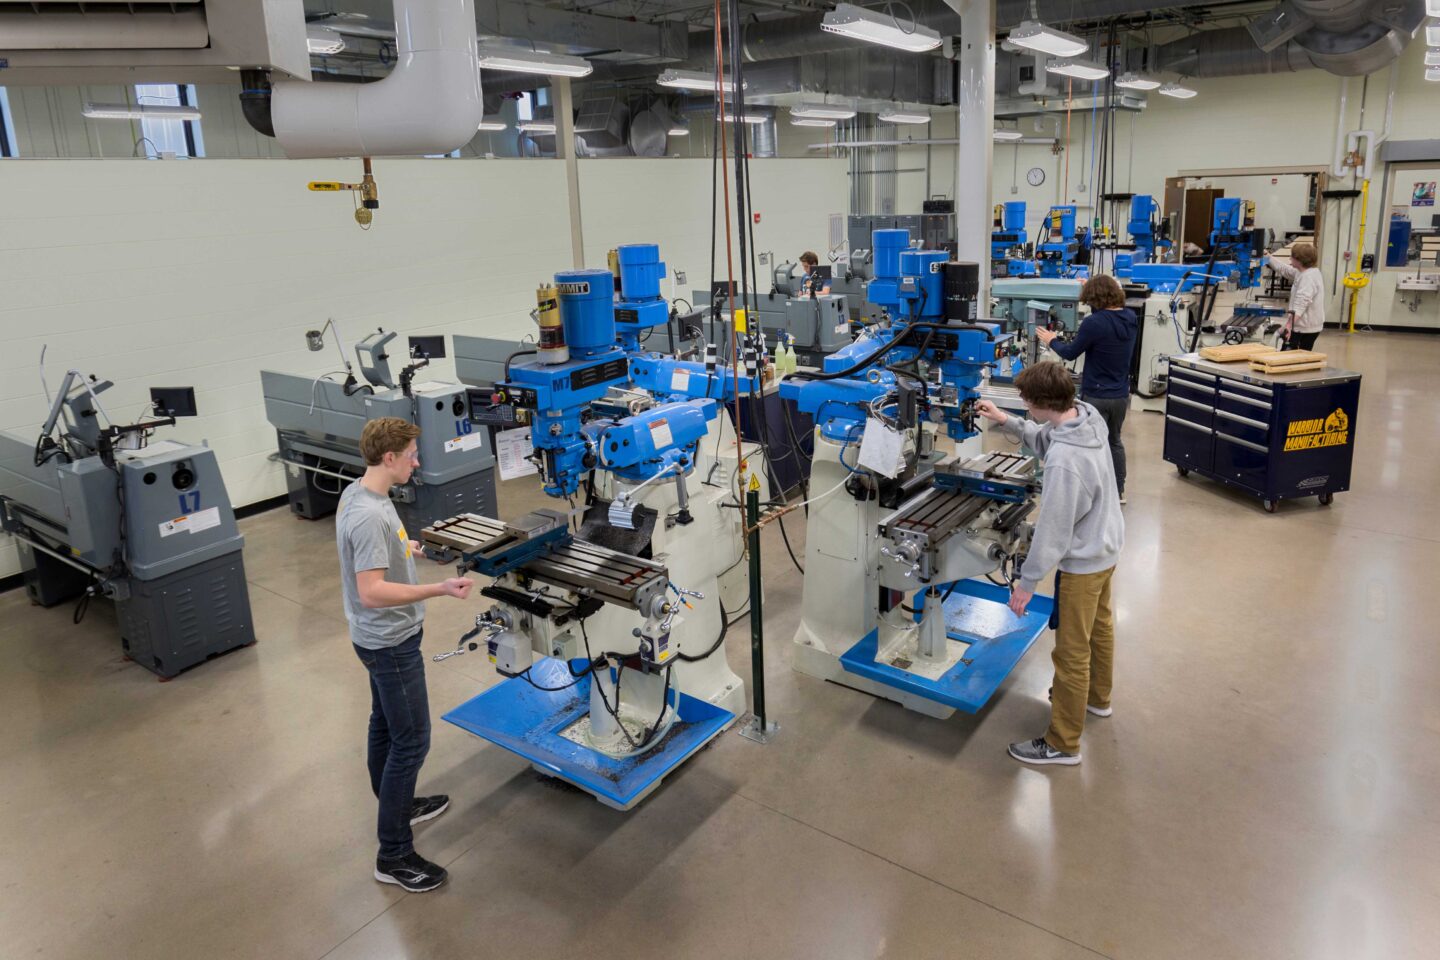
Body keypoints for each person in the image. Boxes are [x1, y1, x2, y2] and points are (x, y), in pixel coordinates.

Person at [337, 417, 474, 893]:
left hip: (374, 639)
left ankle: (395, 803)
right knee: (412, 741)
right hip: (389, 642)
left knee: (386, 725)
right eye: (412, 454)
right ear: (389, 457)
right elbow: (371, 591)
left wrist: (407, 547)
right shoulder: (369, 514)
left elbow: (373, 556)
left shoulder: (363, 494)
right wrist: (439, 588)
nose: (418, 461)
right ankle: (393, 853)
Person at [975, 363, 1124, 767]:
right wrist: (1007, 420)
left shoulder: (1065, 462)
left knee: (1071, 653)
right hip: (1107, 545)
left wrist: (1027, 582)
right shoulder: (1086, 418)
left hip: (1083, 561)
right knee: (1100, 628)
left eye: (1025, 402)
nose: (1023, 404)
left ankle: (1062, 744)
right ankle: (1097, 700)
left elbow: (1054, 531)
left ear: (1040, 403)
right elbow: (1046, 436)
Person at [1033, 274, 1137, 504]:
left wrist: (1051, 339)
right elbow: (1109, 315)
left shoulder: (1094, 323)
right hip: (1120, 395)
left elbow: (1070, 353)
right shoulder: (1130, 317)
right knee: (1114, 442)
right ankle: (1117, 492)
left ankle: (1089, 490)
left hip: (1096, 396)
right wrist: (1092, 285)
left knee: (1086, 445)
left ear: (1094, 299)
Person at [1262, 242, 1324, 352]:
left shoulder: (1307, 278)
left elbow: (1300, 305)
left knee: (1290, 357)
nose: (1290, 259)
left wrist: (1288, 326)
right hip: (1303, 325)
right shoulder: (1305, 271)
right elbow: (1284, 269)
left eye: (1292, 257)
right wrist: (1268, 257)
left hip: (1304, 329)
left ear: (1300, 260)